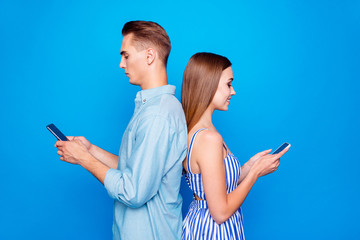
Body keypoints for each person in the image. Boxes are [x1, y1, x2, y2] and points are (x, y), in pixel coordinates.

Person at [55, 21, 187, 240]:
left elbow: (133, 191)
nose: (121, 64)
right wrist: (89, 150)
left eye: (125, 55)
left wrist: (84, 160)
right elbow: (135, 170)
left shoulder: (157, 115)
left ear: (149, 56)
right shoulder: (153, 109)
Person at [181, 52, 290, 239]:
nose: (233, 91)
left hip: (200, 225)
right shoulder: (209, 138)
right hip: (213, 232)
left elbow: (215, 182)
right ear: (209, 84)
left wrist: (250, 166)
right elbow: (220, 213)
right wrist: (255, 174)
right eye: (228, 84)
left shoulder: (199, 131)